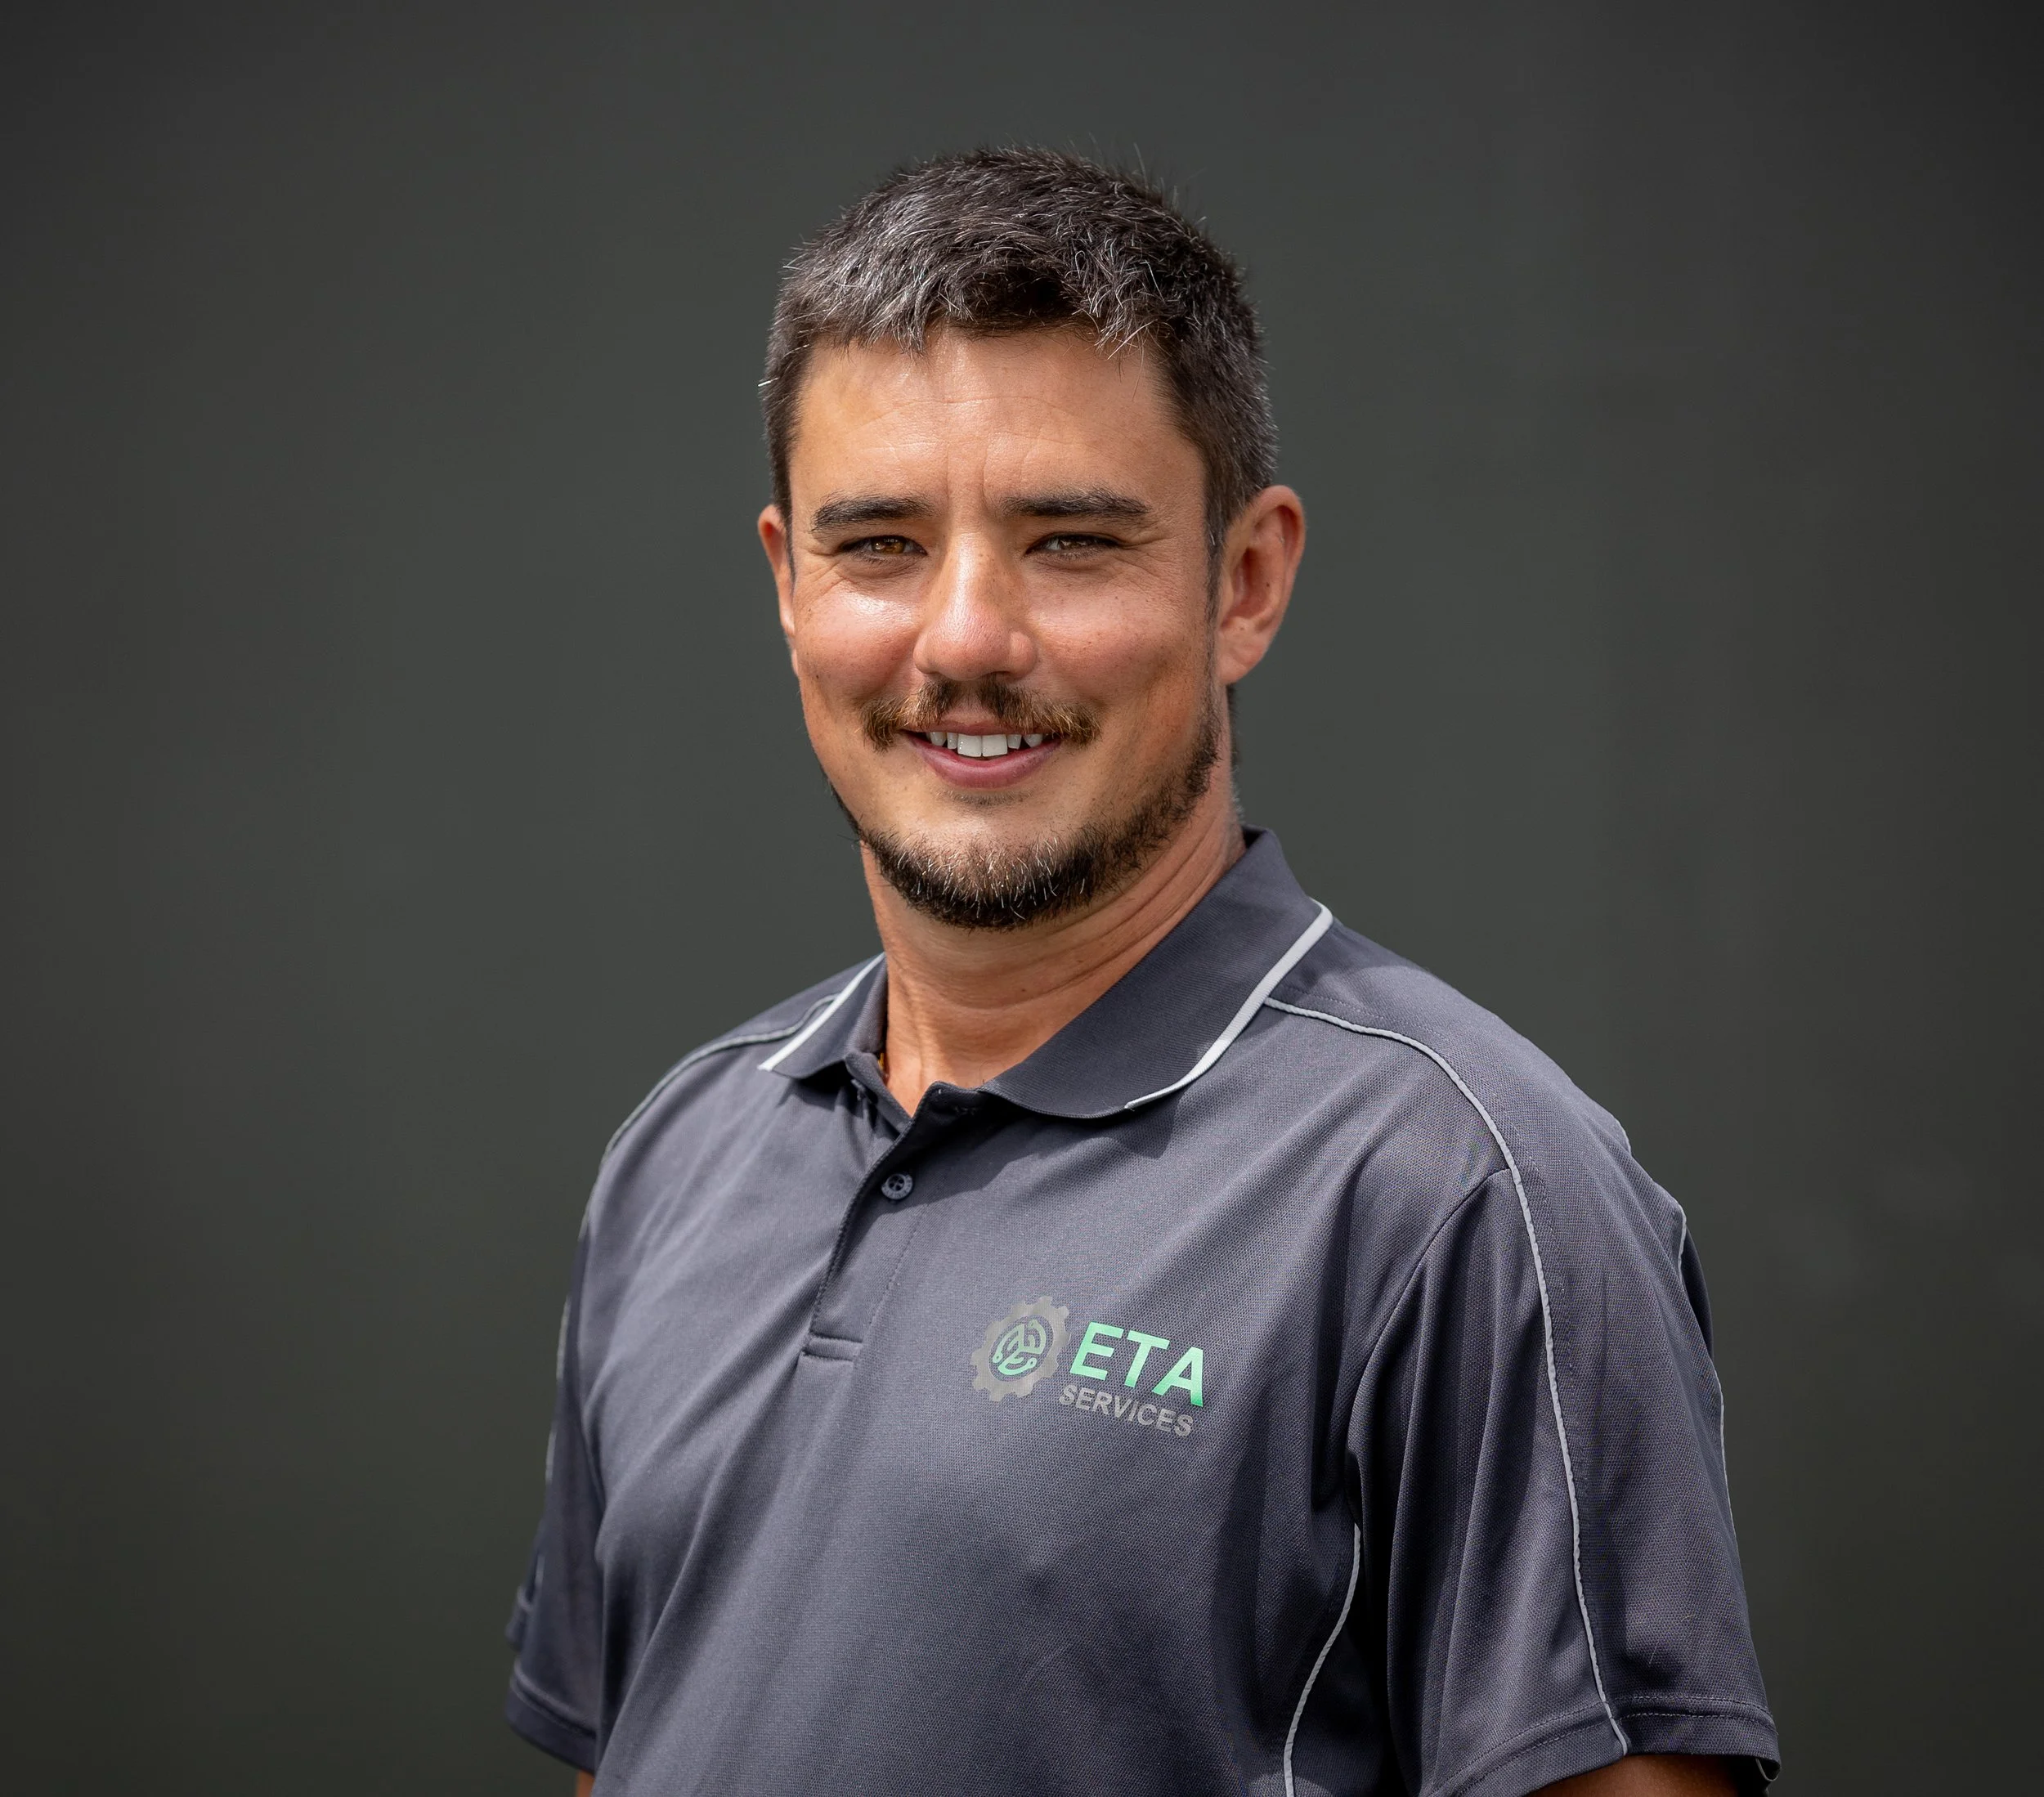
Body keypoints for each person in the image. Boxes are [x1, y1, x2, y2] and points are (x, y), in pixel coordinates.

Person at [504, 148, 1779, 1797]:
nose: (963, 637)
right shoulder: (682, 1153)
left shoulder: (1466, 1195)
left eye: (1068, 543)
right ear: (786, 583)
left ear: (1241, 579)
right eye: (880, 543)